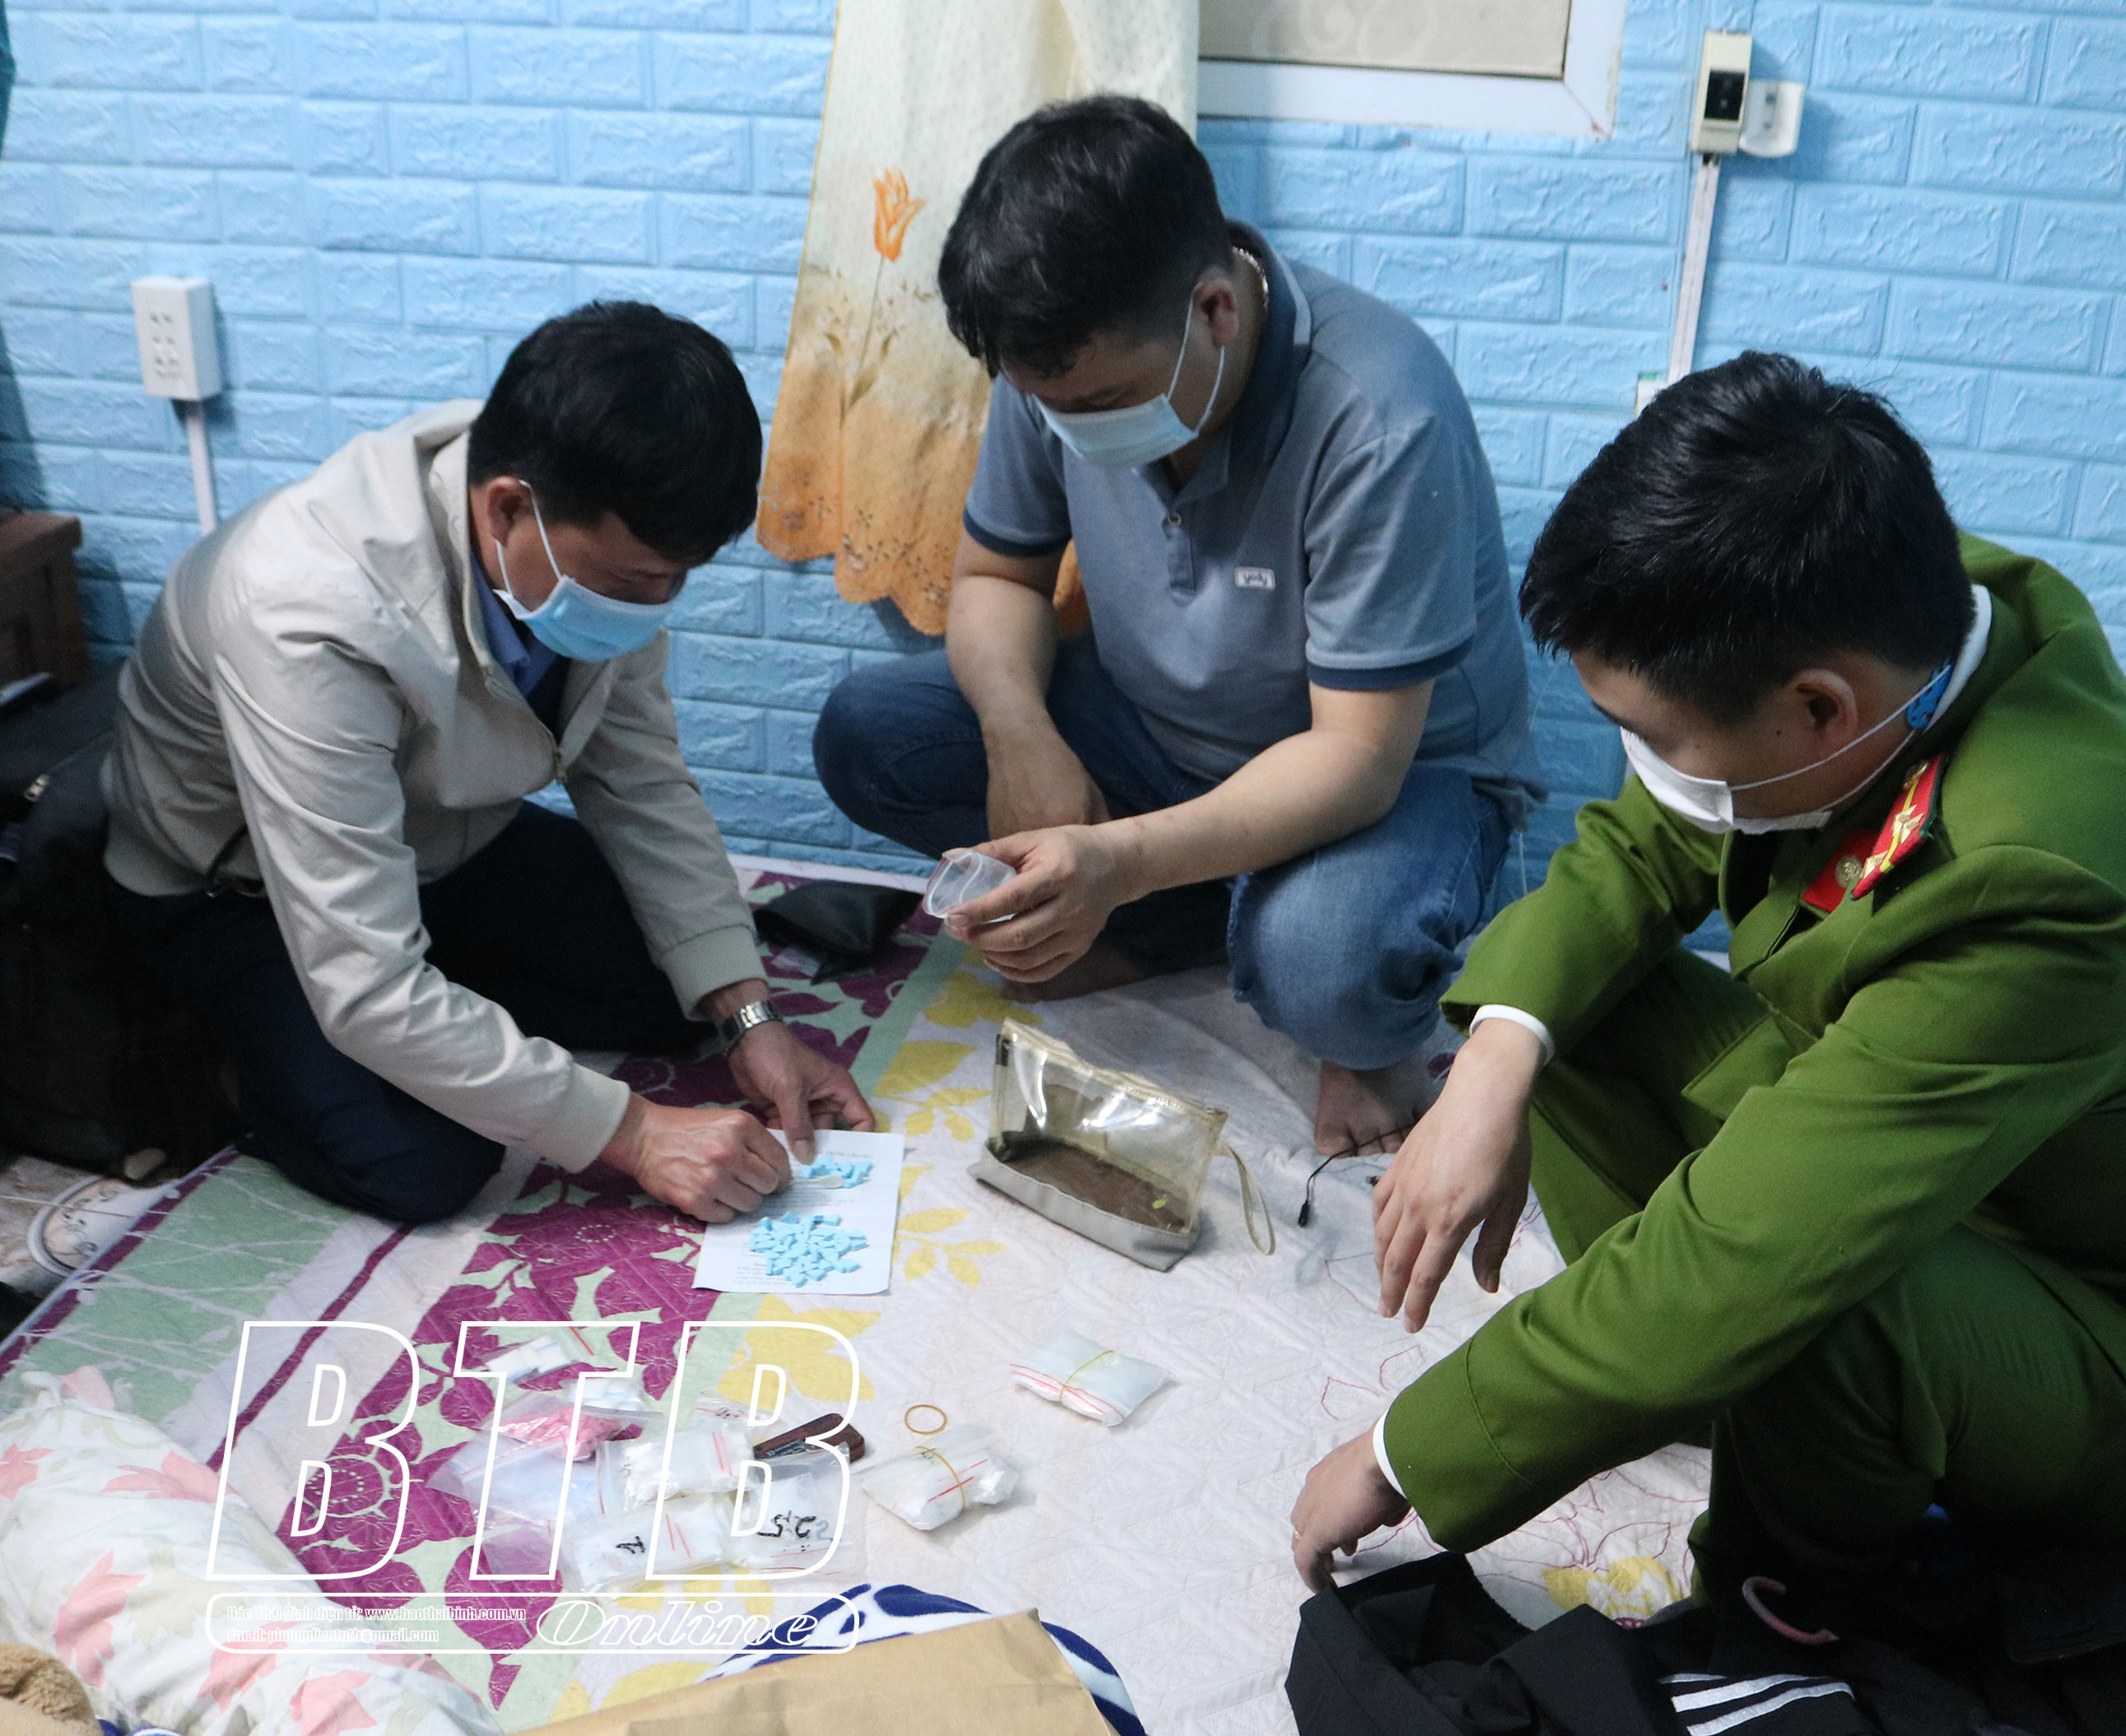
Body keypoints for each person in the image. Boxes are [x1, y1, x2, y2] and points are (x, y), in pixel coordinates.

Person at [1289, 352, 2126, 1615]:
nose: (1644, 769)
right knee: (1560, 1001)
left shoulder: (2038, 884)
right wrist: (1494, 1060)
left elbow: (1754, 1252)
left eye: (1654, 737)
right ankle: (1683, 1372)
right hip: (1996, 1161)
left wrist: (1406, 1454)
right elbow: (1650, 845)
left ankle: (1774, 1610)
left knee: (1814, 1295)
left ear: (1819, 708)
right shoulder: (1899, 612)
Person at [815, 96, 1543, 1157]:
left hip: (1382, 778)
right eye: (1051, 404)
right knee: (868, 732)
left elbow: (1356, 759)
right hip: (1155, 733)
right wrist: (1022, 736)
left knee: (1327, 968)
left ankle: (1281, 960)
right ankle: (1207, 913)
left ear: (1215, 310)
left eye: (1104, 399)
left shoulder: (1381, 416)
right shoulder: (1057, 365)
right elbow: (997, 579)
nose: (1076, 427)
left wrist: (1116, 860)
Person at [103, 302, 872, 1226]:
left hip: (438, 838)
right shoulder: (307, 610)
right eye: (634, 583)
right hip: (234, 893)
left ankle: (451, 1011)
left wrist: (749, 1015)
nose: (654, 607)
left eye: (678, 580)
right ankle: (230, 1062)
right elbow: (365, 983)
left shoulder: (566, 511)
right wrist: (634, 1133)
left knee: (680, 991)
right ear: (507, 507)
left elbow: (640, 781)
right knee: (426, 1162)